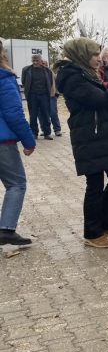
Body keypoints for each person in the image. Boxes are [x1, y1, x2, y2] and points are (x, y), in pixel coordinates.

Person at [53, 38, 108, 248]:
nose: (99, 59)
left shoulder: (85, 73)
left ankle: (105, 223)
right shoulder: (71, 77)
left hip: (103, 132)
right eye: (95, 54)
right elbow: (104, 100)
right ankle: (92, 232)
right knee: (95, 184)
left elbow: (106, 96)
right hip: (89, 135)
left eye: (99, 54)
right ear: (81, 54)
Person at [0, 40, 35, 246]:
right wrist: (29, 141)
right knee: (16, 184)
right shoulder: (4, 77)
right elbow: (14, 113)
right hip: (3, 142)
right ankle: (6, 229)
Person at [21, 54, 54, 140]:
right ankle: (34, 133)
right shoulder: (26, 70)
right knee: (33, 115)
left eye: (37, 61)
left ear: (41, 61)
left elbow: (50, 82)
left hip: (44, 95)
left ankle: (47, 133)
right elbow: (24, 81)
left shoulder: (47, 71)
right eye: (33, 61)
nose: (35, 62)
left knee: (46, 115)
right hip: (32, 95)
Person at [42, 59, 63, 137]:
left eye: (44, 63)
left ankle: (57, 129)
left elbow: (57, 83)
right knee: (42, 114)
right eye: (42, 63)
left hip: (52, 96)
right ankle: (44, 129)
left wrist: (56, 94)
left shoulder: (51, 73)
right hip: (42, 96)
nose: (43, 65)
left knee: (53, 113)